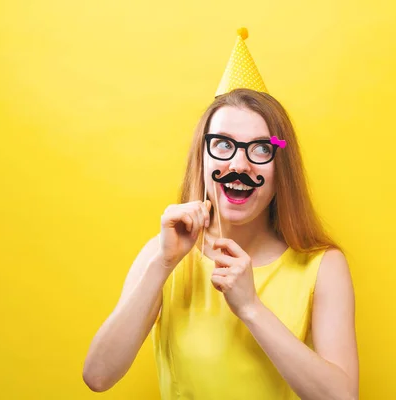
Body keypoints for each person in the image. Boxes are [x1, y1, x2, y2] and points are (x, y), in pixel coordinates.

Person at [83, 29, 359, 400]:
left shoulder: (322, 266)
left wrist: (251, 308)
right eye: (224, 145)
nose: (239, 164)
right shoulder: (164, 255)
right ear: (203, 156)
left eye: (261, 149)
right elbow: (98, 376)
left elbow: (342, 397)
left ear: (283, 167)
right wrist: (162, 264)